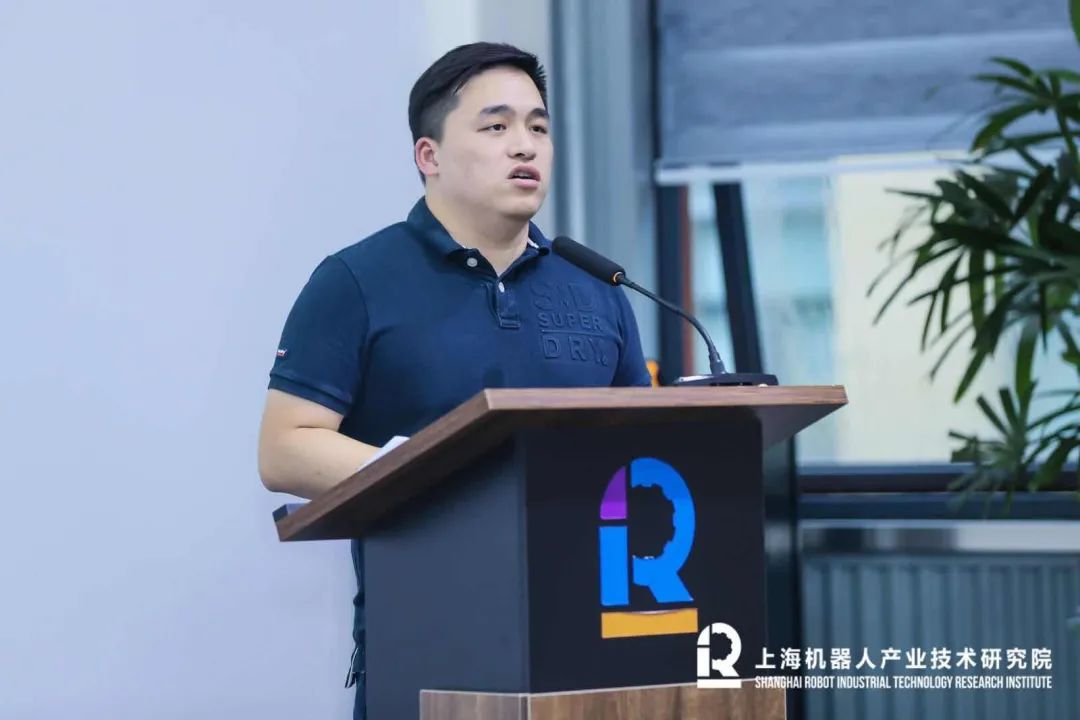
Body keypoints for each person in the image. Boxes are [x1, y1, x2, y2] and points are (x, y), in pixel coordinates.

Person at [257, 41, 651, 719]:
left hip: (592, 641)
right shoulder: (356, 280)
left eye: (539, 127)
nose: (525, 145)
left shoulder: (598, 287)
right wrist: (454, 480)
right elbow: (285, 448)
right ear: (429, 156)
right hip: (427, 641)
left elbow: (640, 453)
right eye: (496, 126)